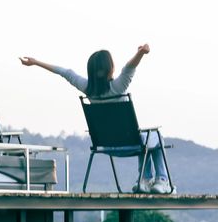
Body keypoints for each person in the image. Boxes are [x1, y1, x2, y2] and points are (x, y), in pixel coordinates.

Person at [19, 45, 173, 194]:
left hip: (106, 146)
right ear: (110, 68)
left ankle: (145, 181)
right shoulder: (118, 87)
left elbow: (65, 73)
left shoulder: (87, 89)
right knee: (154, 137)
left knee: (144, 139)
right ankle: (161, 180)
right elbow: (129, 68)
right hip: (132, 144)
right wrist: (141, 53)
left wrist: (36, 62)